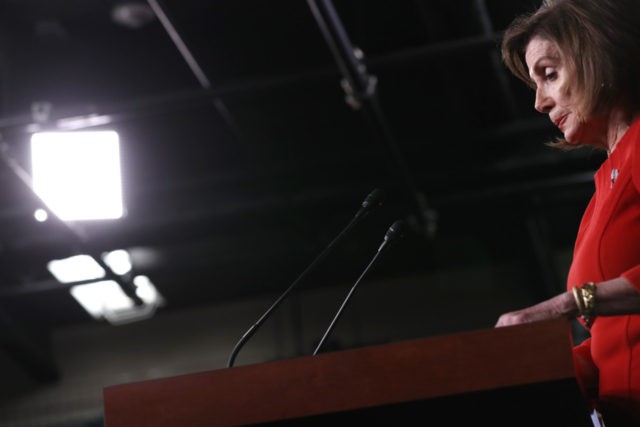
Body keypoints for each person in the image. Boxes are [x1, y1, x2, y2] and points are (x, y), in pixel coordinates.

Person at [495, 0, 640, 424]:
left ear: (599, 54)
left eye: (549, 74)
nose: (540, 102)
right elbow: (610, 343)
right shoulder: (603, 188)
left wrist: (569, 304)